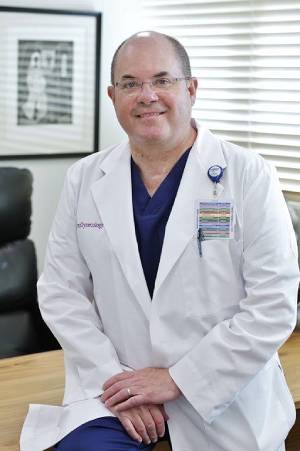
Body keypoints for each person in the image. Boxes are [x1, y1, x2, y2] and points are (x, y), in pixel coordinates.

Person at [20, 31, 299, 451]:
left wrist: (174, 380)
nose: (147, 95)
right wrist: (119, 383)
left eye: (162, 80)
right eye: (131, 83)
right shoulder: (85, 178)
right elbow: (61, 292)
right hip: (115, 390)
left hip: (219, 394)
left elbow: (273, 304)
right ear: (113, 97)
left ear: (191, 89)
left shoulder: (248, 175)